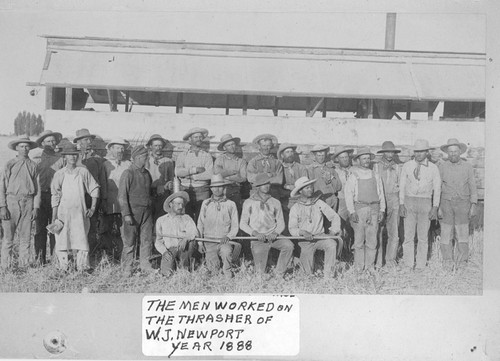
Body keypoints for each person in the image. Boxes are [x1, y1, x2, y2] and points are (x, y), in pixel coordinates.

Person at [50, 143, 99, 272]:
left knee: (81, 238)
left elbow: (94, 189)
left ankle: (82, 267)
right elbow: (55, 196)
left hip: (79, 212)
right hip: (63, 213)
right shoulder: (59, 174)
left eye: (74, 154)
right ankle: (63, 267)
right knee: (62, 239)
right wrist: (54, 218)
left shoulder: (83, 172)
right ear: (64, 157)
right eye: (69, 155)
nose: (72, 157)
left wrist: (92, 208)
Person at [240, 173, 293, 277]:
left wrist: (275, 233)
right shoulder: (249, 202)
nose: (267, 186)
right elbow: (243, 223)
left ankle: (279, 273)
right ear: (258, 187)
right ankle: (261, 272)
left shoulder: (275, 202)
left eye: (268, 183)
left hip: (273, 236)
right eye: (263, 184)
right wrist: (254, 233)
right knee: (260, 273)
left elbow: (281, 222)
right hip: (258, 239)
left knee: (289, 246)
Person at [399, 139, 441, 271]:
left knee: (423, 236)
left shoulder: (433, 168)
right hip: (409, 201)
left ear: (427, 152)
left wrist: (435, 207)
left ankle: (421, 265)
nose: (418, 154)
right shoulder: (407, 165)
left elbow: (437, 188)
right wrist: (401, 203)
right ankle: (408, 264)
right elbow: (402, 186)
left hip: (425, 202)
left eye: (421, 151)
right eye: (416, 151)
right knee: (408, 235)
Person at [0, 137, 41, 270]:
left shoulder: (33, 165)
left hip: (28, 201)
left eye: (27, 146)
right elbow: (2, 186)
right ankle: (5, 266)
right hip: (11, 201)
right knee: (8, 238)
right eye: (21, 146)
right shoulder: (9, 164)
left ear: (30, 148)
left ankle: (23, 266)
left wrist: (36, 207)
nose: (24, 149)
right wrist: (2, 206)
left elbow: (37, 188)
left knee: (25, 237)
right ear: (16, 148)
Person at [288, 177, 342, 277]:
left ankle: (329, 275)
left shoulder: (319, 203)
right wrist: (303, 233)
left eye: (311, 187)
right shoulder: (295, 208)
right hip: (305, 240)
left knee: (331, 244)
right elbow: (292, 228)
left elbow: (334, 217)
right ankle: (307, 275)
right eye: (307, 188)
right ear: (300, 191)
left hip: (320, 237)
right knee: (306, 274)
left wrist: (333, 231)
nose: (310, 190)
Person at [438, 138, 478, 270]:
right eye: (450, 151)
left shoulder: (467, 167)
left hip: (463, 204)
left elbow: (472, 186)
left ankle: (462, 261)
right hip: (446, 204)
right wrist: (437, 206)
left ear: (460, 152)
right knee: (446, 233)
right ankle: (447, 261)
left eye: (455, 151)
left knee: (462, 233)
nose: (453, 154)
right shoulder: (442, 166)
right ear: (447, 153)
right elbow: (438, 187)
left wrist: (473, 204)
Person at [344, 148, 385, 273]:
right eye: (363, 159)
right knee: (359, 241)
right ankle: (359, 267)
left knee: (372, 240)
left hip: (374, 209)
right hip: (360, 209)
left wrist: (382, 210)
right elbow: (348, 194)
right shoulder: (354, 175)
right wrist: (352, 212)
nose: (366, 161)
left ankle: (370, 267)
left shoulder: (375, 175)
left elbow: (381, 194)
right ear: (358, 160)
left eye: (368, 158)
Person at [118, 145, 154, 276]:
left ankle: (145, 265)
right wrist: (126, 214)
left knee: (147, 239)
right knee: (129, 240)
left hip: (146, 212)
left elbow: (150, 192)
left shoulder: (147, 173)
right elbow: (122, 196)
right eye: (145, 156)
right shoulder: (128, 173)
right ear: (137, 158)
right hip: (132, 213)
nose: (147, 158)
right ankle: (127, 267)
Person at [197, 174, 240, 278]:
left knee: (226, 252)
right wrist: (200, 242)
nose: (217, 189)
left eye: (220, 186)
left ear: (224, 188)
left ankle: (228, 273)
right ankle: (214, 273)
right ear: (211, 188)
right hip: (209, 240)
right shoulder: (205, 203)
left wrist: (228, 236)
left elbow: (235, 225)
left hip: (224, 240)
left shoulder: (231, 204)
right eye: (214, 187)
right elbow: (200, 223)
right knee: (213, 270)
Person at [73, 128, 107, 255]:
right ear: (79, 142)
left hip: (93, 198)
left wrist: (103, 199)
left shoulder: (97, 160)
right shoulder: (74, 158)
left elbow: (102, 180)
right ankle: (77, 253)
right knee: (77, 225)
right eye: (86, 140)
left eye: (90, 139)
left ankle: (90, 254)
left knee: (92, 226)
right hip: (77, 197)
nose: (89, 142)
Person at [155, 182, 198, 276]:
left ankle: (185, 267)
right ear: (170, 204)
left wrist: (186, 239)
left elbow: (194, 232)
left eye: (182, 204)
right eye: (178, 204)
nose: (181, 207)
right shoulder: (161, 220)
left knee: (183, 272)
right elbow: (158, 241)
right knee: (166, 274)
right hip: (169, 250)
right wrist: (164, 252)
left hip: (184, 249)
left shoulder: (186, 218)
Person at [34, 130, 64, 264]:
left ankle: (55, 258)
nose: (51, 144)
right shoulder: (36, 159)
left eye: (53, 141)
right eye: (48, 141)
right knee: (40, 229)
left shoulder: (61, 158)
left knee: (55, 226)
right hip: (40, 197)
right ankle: (40, 258)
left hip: (56, 197)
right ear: (42, 143)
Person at [373, 141, 403, 268]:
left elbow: (401, 186)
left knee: (394, 232)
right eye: (387, 152)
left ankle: (390, 260)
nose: (390, 154)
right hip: (379, 201)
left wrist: (401, 202)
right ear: (383, 153)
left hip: (394, 200)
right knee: (378, 231)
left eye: (392, 152)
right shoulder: (375, 167)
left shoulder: (398, 167)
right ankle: (378, 261)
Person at [175, 127, 213, 222]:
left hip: (203, 190)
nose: (199, 139)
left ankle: (200, 236)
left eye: (200, 137)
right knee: (186, 217)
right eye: (195, 137)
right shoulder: (183, 155)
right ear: (190, 140)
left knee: (202, 217)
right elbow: (178, 172)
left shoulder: (207, 155)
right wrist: (194, 170)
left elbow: (210, 174)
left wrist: (192, 176)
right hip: (186, 189)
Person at [102, 137, 131, 260]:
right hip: (110, 203)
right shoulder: (106, 165)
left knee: (124, 231)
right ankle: (109, 254)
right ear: (111, 149)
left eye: (122, 148)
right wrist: (103, 201)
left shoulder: (128, 164)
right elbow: (103, 184)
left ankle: (124, 255)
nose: (120, 151)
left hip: (124, 204)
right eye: (117, 148)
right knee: (107, 229)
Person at [213, 134, 247, 212]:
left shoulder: (241, 161)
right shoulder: (220, 159)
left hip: (236, 190)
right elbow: (216, 173)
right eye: (229, 145)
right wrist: (233, 173)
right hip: (222, 191)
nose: (232, 147)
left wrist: (226, 176)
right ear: (224, 148)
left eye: (233, 144)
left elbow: (243, 178)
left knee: (236, 213)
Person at [145, 134, 174, 222]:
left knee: (161, 218)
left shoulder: (168, 161)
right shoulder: (146, 160)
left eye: (160, 145)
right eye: (156, 145)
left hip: (162, 194)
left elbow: (171, 179)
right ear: (150, 146)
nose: (158, 148)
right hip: (148, 193)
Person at [332, 145, 355, 257]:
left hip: (355, 202)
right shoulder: (335, 171)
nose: (345, 159)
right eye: (342, 157)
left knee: (354, 227)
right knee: (341, 228)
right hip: (341, 201)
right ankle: (341, 254)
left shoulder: (355, 170)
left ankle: (353, 252)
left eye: (346, 157)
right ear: (337, 159)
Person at [247, 134, 283, 200]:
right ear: (259, 147)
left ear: (271, 146)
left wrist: (259, 177)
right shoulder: (253, 161)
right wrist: (268, 175)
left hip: (273, 193)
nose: (266, 148)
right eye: (263, 145)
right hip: (256, 193)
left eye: (268, 145)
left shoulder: (276, 162)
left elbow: (279, 180)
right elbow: (250, 178)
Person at [306, 145, 342, 211]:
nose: (321, 158)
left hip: (332, 199)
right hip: (318, 200)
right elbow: (309, 188)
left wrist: (331, 177)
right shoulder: (311, 170)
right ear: (314, 156)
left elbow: (338, 187)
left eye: (323, 155)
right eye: (319, 156)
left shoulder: (330, 168)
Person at [278, 143, 307, 215]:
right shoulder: (279, 168)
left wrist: (296, 188)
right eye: (287, 152)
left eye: (291, 152)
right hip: (284, 199)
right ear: (282, 155)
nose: (290, 154)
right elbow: (277, 184)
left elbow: (305, 184)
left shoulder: (301, 168)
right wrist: (287, 187)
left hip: (299, 199)